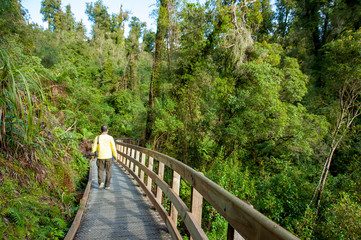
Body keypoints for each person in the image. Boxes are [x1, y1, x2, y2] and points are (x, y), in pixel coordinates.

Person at [91, 125, 117, 190]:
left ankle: (101, 182)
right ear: (107, 130)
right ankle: (107, 185)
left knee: (100, 170)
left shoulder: (97, 137)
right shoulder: (110, 138)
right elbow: (113, 147)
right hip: (108, 157)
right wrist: (115, 156)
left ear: (101, 130)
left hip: (100, 157)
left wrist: (93, 156)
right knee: (108, 171)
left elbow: (94, 147)